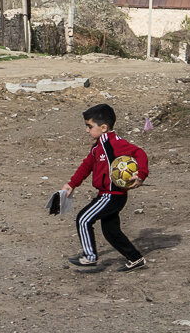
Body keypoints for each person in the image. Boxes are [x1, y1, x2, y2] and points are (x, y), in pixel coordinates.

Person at [58, 103, 150, 272]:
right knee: (111, 231)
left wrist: (141, 174)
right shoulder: (98, 146)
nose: (87, 130)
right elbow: (87, 166)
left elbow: (139, 153)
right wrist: (72, 184)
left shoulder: (114, 143)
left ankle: (89, 257)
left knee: (83, 219)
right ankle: (135, 259)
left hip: (111, 195)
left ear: (104, 127)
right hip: (108, 194)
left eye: (89, 126)